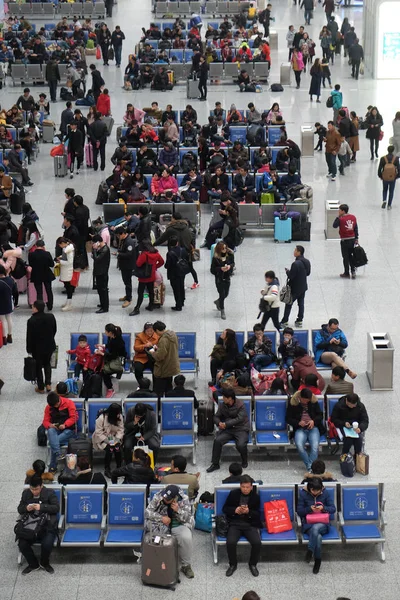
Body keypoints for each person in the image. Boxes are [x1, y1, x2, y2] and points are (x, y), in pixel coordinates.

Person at [145, 484, 195, 579]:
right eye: (165, 498)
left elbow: (188, 518)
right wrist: (161, 518)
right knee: (156, 539)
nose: (165, 500)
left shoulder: (183, 499)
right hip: (161, 525)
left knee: (186, 537)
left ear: (175, 498)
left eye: (168, 499)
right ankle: (158, 564)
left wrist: (178, 510)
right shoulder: (159, 496)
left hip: (178, 524)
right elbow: (147, 512)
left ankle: (186, 566)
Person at [17, 475, 59, 575]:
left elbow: (56, 508)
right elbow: (20, 508)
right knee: (22, 544)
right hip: (30, 525)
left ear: (42, 485)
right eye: (32, 489)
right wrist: (26, 508)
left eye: (36, 489)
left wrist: (42, 507)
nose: (34, 491)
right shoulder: (26, 493)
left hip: (46, 525)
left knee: (47, 544)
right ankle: (33, 564)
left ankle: (44, 563)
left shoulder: (49, 493)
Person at [223, 475, 262, 577]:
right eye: (243, 487)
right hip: (235, 523)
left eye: (247, 487)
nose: (245, 489)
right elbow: (225, 509)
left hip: (250, 524)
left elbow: (258, 514)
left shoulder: (255, 497)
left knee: (257, 543)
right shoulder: (233, 494)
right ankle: (233, 564)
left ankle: (253, 564)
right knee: (230, 542)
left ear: (251, 487)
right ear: (240, 486)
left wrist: (249, 512)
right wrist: (235, 510)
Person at [297, 477, 336, 574]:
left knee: (316, 528)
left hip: (323, 524)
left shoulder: (325, 493)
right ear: (309, 488)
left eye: (318, 490)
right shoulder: (303, 494)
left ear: (321, 488)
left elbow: (333, 509)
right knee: (317, 537)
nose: (315, 492)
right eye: (313, 490)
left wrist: (323, 508)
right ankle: (317, 561)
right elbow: (299, 511)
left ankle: (310, 551)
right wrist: (309, 509)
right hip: (308, 524)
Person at [206, 388, 250, 473]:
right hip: (228, 429)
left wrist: (226, 424)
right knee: (217, 441)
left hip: (241, 428)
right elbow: (216, 416)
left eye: (224, 397)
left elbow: (239, 419)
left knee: (241, 445)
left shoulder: (240, 405)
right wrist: (219, 423)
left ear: (230, 398)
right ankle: (215, 464)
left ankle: (244, 461)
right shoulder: (223, 405)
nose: (223, 398)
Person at [286, 388, 325, 471]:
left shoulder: (313, 402)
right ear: (300, 397)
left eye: (308, 400)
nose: (306, 402)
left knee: (314, 447)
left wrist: (313, 421)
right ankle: (310, 466)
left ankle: (310, 467)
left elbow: (320, 415)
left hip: (313, 428)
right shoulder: (293, 403)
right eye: (304, 400)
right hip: (300, 428)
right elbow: (288, 418)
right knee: (299, 446)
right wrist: (298, 422)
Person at [42, 391, 78, 473]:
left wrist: (65, 424)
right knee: (51, 430)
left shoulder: (69, 403)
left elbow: (74, 418)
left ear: (59, 400)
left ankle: (53, 467)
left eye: (56, 405)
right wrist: (50, 425)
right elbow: (45, 421)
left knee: (53, 442)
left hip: (68, 430)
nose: (55, 406)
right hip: (56, 430)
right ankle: (58, 453)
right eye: (53, 406)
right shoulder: (49, 407)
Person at [26, 300, 57, 394]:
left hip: (37, 348)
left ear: (36, 308)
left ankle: (40, 387)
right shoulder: (51, 317)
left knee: (38, 366)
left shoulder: (31, 320)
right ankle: (48, 384)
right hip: (49, 345)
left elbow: (29, 336)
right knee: (47, 363)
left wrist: (29, 348)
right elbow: (54, 329)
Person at [130, 240, 164, 316]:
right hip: (152, 275)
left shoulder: (144, 254)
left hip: (143, 276)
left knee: (140, 292)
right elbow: (162, 262)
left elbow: (138, 264)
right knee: (151, 291)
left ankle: (137, 308)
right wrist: (154, 267)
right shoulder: (156, 253)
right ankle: (151, 305)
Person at [281, 246, 311, 328]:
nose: (294, 251)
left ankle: (285, 321)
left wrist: (287, 272)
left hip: (294, 288)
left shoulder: (295, 264)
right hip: (303, 287)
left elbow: (291, 276)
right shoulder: (307, 261)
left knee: (289, 303)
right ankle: (299, 320)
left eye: (295, 250)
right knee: (301, 304)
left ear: (299, 252)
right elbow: (308, 273)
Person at [92, 402, 124, 478]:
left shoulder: (119, 416)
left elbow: (121, 429)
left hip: (115, 437)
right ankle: (107, 469)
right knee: (110, 449)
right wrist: (109, 441)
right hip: (103, 438)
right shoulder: (101, 418)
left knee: (117, 448)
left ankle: (119, 467)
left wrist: (117, 440)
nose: (118, 415)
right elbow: (98, 433)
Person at [148, 321, 180, 397]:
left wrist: (152, 352)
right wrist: (159, 348)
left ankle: (159, 406)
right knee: (169, 388)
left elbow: (159, 357)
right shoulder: (173, 334)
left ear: (157, 330)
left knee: (159, 391)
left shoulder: (163, 340)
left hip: (163, 368)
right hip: (172, 365)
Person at [99, 323, 127, 398]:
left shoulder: (117, 342)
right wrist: (104, 346)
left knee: (104, 372)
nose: (105, 332)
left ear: (110, 332)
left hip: (118, 360)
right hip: (113, 357)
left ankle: (110, 389)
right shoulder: (111, 337)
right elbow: (110, 345)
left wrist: (102, 353)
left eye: (106, 331)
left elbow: (113, 355)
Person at [332, 203, 358, 279]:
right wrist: (356, 238)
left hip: (345, 241)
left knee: (345, 257)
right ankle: (353, 271)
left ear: (343, 211)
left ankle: (346, 272)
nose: (338, 212)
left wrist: (337, 217)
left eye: (339, 210)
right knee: (351, 256)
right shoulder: (353, 217)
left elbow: (334, 226)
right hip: (352, 239)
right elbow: (356, 228)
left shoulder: (340, 219)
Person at [211, 241, 234, 321]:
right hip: (219, 279)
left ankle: (218, 302)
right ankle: (222, 309)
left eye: (225, 248)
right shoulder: (216, 258)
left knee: (226, 294)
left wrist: (229, 267)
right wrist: (220, 269)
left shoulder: (230, 254)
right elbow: (212, 270)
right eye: (223, 248)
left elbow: (233, 263)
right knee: (222, 294)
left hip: (227, 277)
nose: (225, 250)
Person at [165, 236, 189, 312]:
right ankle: (182, 301)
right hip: (182, 272)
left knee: (176, 289)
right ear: (177, 243)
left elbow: (167, 265)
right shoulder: (183, 250)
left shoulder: (170, 253)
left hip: (173, 274)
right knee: (181, 286)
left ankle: (178, 305)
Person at [117, 227, 137, 309]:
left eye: (118, 236)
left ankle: (129, 298)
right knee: (125, 281)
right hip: (123, 265)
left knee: (128, 282)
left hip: (128, 265)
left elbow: (129, 254)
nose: (118, 237)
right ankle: (127, 295)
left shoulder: (129, 242)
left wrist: (119, 254)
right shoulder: (123, 240)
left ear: (122, 234)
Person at [91, 234, 110, 314]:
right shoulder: (101, 248)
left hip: (102, 273)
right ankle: (102, 304)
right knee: (100, 290)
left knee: (103, 291)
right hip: (99, 272)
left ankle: (105, 307)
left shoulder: (105, 249)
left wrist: (95, 250)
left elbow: (97, 259)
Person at [378, 144, 400, 210]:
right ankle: (389, 205)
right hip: (392, 177)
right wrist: (396, 177)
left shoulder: (383, 158)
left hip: (385, 177)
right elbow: (399, 169)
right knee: (391, 191)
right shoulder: (396, 159)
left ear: (387, 150)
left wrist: (380, 176)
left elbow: (380, 169)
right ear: (393, 150)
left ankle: (384, 200)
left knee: (385, 189)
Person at [56, 237, 75, 312]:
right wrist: (60, 258)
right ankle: (67, 302)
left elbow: (69, 262)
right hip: (65, 270)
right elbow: (65, 257)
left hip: (67, 270)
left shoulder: (69, 250)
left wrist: (60, 262)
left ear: (63, 243)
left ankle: (69, 303)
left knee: (68, 287)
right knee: (67, 286)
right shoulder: (66, 248)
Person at [0, 263, 16, 346]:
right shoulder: (10, 280)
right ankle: (10, 335)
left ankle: (4, 337)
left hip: (1, 303)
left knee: (2, 320)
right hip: (9, 301)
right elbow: (15, 291)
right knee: (9, 318)